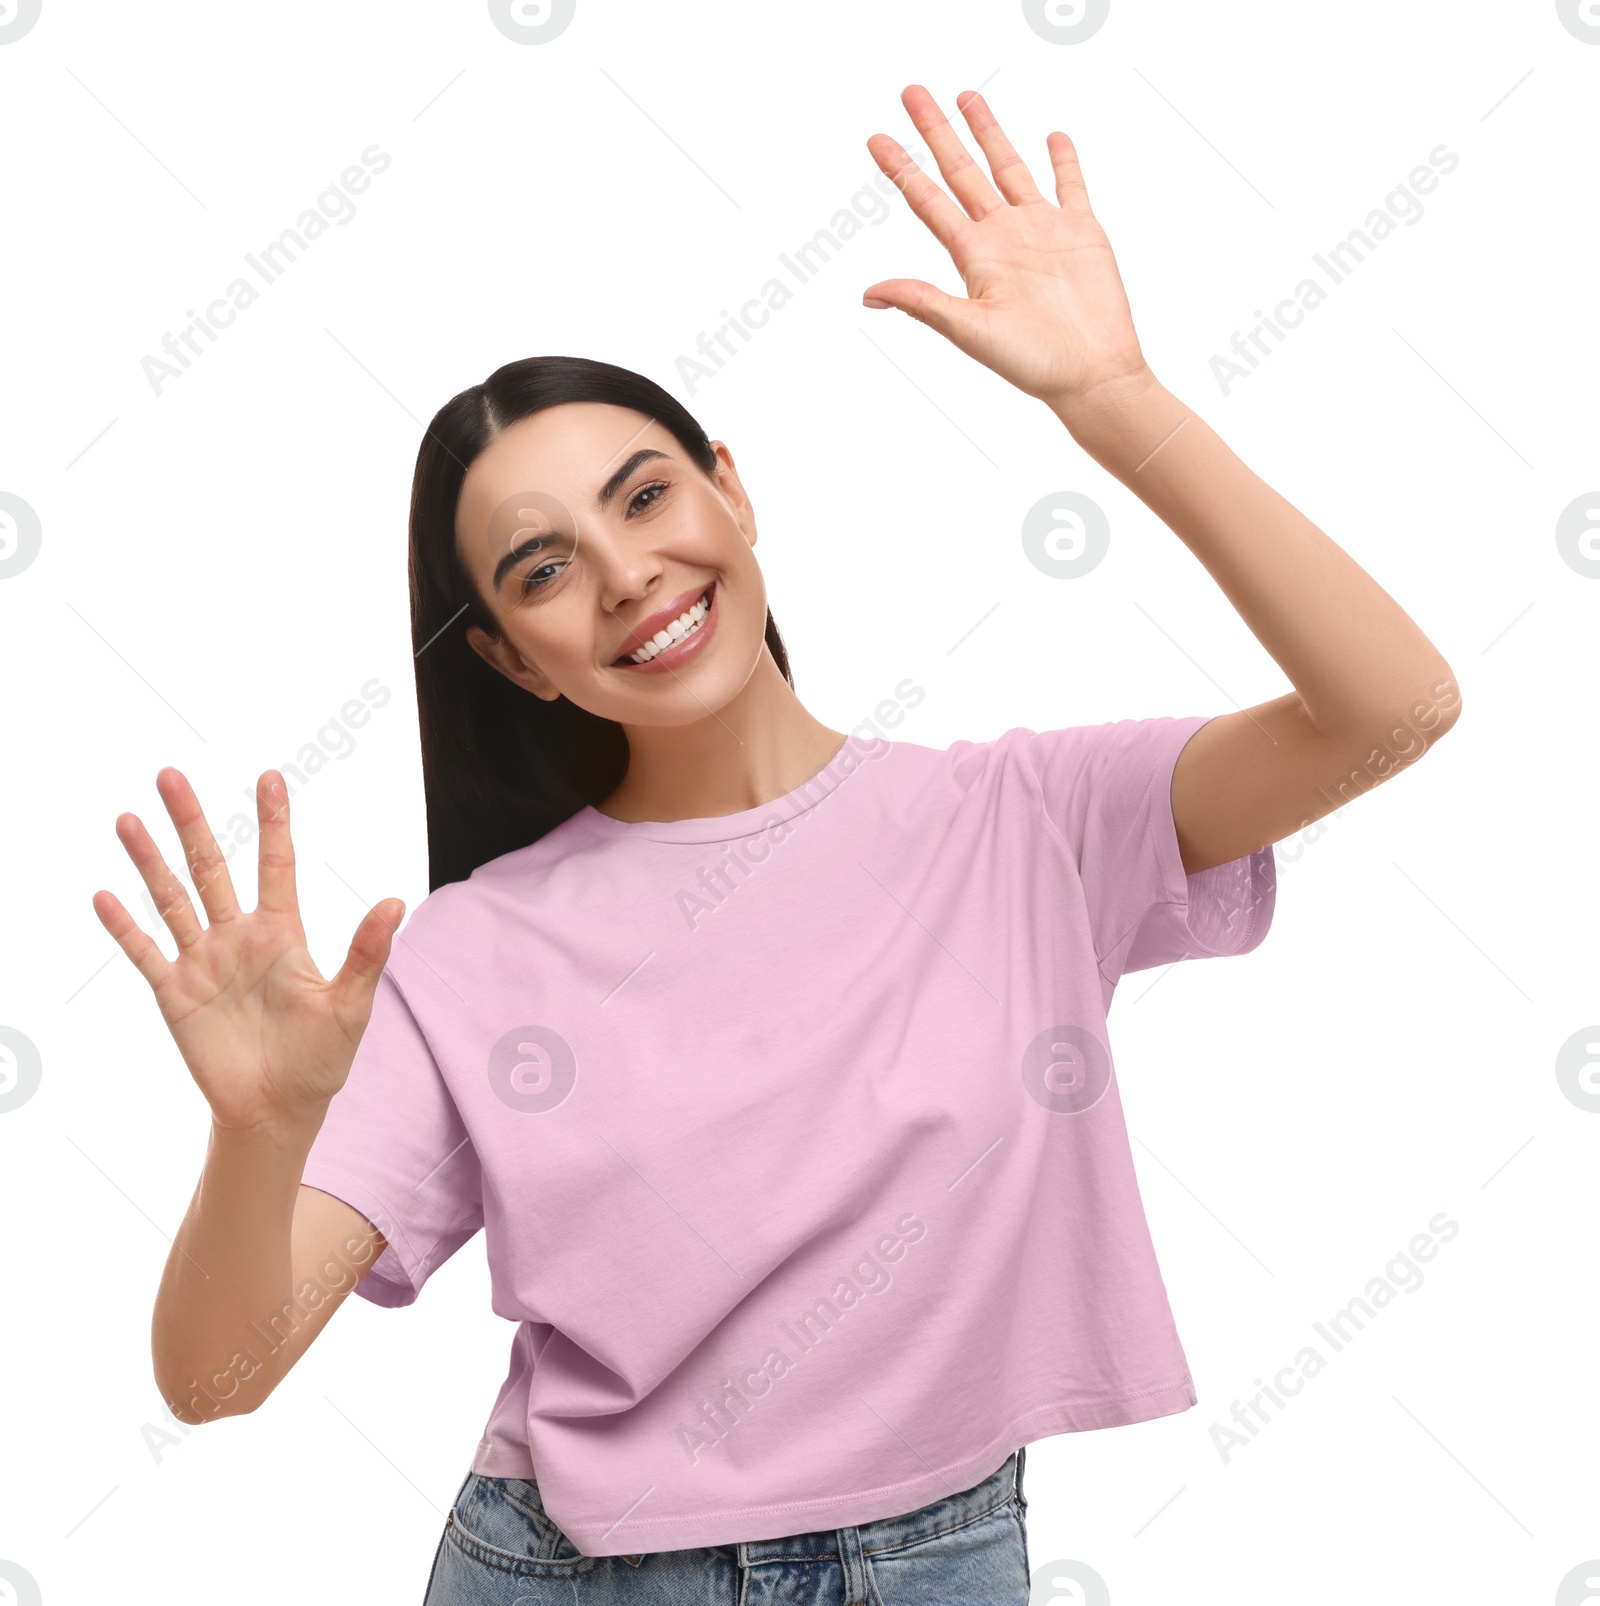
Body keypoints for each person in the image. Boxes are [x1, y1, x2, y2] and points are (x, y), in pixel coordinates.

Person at [93, 85, 1461, 1604]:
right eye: (546, 567)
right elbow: (219, 1377)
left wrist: (1115, 397)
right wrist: (258, 1130)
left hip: (943, 1559)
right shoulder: (469, 952)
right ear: (511, 659)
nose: (627, 575)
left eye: (648, 496)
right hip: (577, 1571)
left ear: (733, 492)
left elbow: (1394, 708)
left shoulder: (1025, 821)